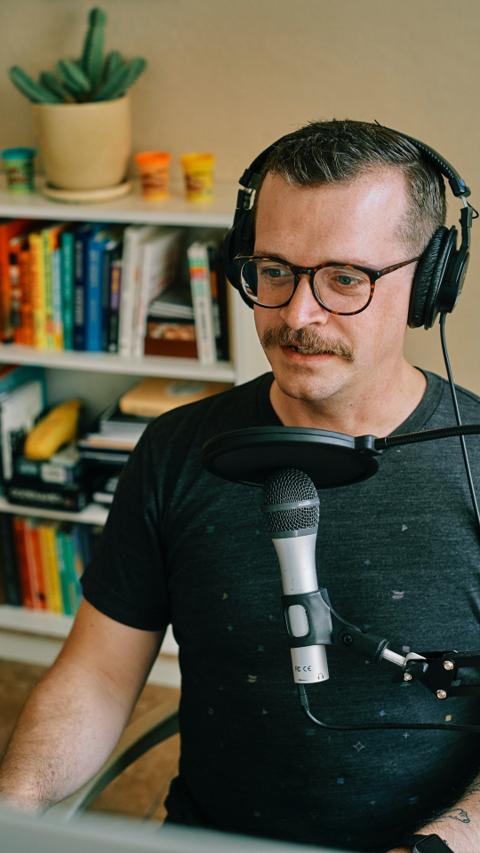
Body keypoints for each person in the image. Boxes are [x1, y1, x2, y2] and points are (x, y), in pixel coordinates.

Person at [1, 119, 480, 853]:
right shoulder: (175, 448)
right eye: (274, 271)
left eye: (345, 278)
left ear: (430, 281)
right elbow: (97, 675)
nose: (297, 315)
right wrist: (14, 807)